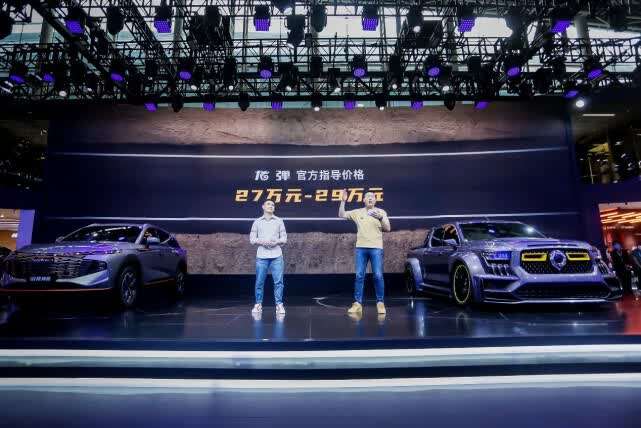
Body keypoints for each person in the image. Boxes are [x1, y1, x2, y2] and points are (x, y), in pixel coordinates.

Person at [338, 189, 391, 315]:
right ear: (364, 200)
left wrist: (381, 218)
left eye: (372, 197)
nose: (370, 198)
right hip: (361, 248)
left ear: (375, 200)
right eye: (368, 197)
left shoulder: (381, 212)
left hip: (376, 248)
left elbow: (388, 228)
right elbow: (341, 214)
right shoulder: (358, 212)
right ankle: (357, 304)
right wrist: (343, 201)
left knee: (378, 275)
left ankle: (380, 303)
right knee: (359, 275)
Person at [249, 199, 287, 315]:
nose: (271, 206)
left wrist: (276, 242)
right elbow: (252, 239)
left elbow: (284, 238)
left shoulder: (279, 221)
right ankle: (258, 304)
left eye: (273, 205)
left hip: (277, 255)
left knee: (278, 282)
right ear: (263, 207)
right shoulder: (257, 222)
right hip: (262, 255)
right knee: (259, 282)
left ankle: (279, 305)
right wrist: (262, 242)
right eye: (268, 204)